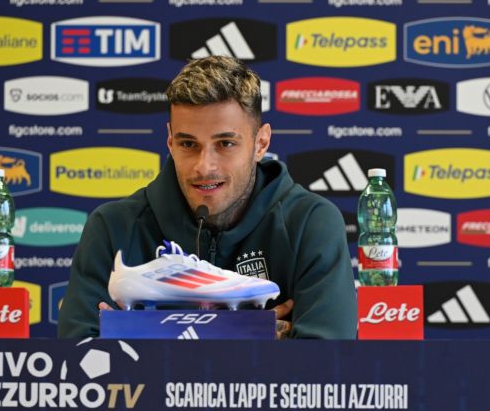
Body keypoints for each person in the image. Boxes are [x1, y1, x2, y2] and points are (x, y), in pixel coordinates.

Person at [58, 56, 357, 339]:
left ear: (261, 143)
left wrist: (136, 334)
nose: (205, 166)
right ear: (170, 141)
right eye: (189, 144)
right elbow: (85, 367)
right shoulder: (112, 228)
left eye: (225, 143)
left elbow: (323, 372)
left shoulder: (310, 223)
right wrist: (249, 338)